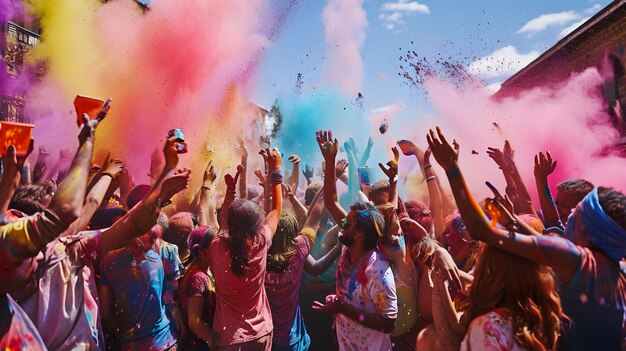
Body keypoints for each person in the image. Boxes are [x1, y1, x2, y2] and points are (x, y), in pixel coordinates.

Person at [427, 127, 623, 350]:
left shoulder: (575, 260)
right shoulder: (618, 271)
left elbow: (482, 232)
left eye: (575, 215)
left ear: (589, 230)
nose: (565, 219)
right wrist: (511, 220)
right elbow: (546, 226)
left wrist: (452, 169)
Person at [312, 130, 397, 351]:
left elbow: (388, 323)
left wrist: (344, 309)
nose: (343, 224)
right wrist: (329, 161)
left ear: (359, 232)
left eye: (347, 222)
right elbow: (330, 202)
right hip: (345, 343)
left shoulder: (377, 271)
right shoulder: (350, 242)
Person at [208, 148, 282, 350]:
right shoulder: (262, 242)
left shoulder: (217, 247)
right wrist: (276, 171)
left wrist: (230, 192)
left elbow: (224, 223)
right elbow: (276, 210)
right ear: (257, 226)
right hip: (260, 335)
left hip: (228, 340)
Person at [265, 189, 341, 351]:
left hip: (267, 339)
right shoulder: (298, 253)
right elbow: (314, 217)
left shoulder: (259, 258)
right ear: (293, 234)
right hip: (293, 340)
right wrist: (338, 247)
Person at [178, 226, 218, 350]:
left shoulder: (205, 272)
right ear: (203, 252)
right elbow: (195, 322)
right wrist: (214, 341)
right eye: (216, 247)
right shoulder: (198, 278)